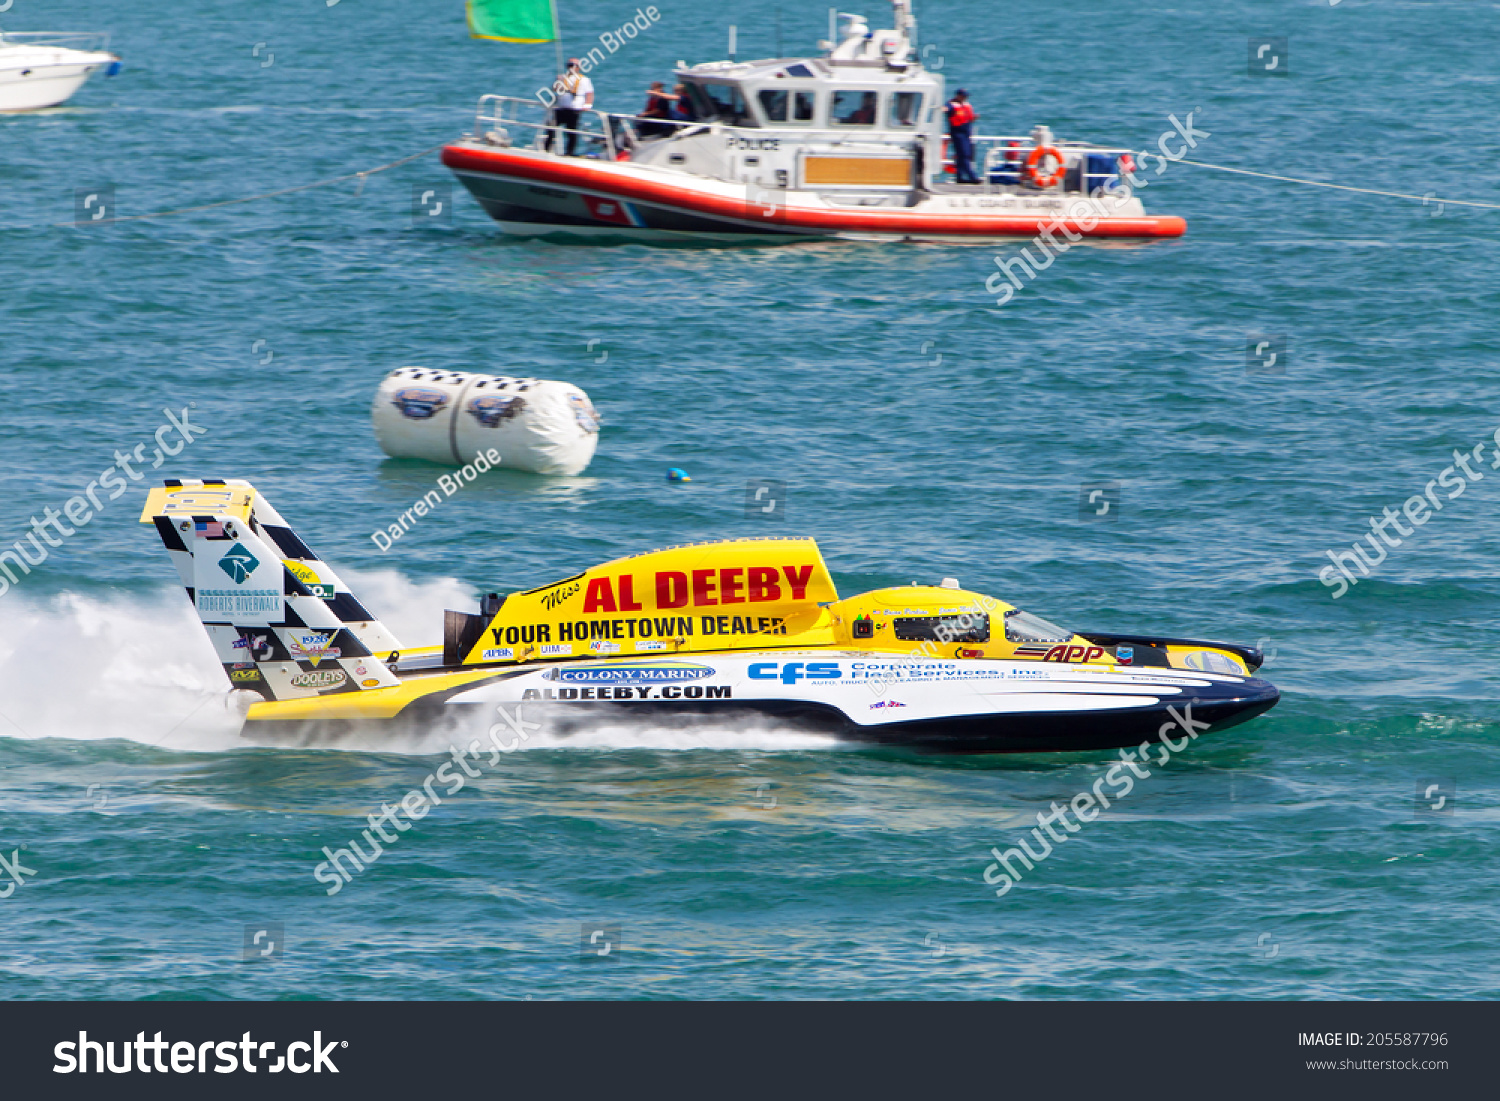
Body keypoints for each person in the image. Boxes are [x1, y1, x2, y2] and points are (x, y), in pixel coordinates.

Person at [544, 58, 594, 156]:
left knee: (571, 131)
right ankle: (547, 149)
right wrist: (558, 82)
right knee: (551, 126)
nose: (572, 67)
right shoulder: (563, 78)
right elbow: (554, 89)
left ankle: (569, 153)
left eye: (574, 65)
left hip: (574, 109)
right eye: (570, 65)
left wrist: (588, 105)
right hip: (562, 108)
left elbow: (590, 93)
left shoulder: (584, 80)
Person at [945, 88, 980, 184]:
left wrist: (974, 117)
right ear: (958, 96)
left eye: (966, 96)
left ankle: (959, 177)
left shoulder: (967, 105)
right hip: (958, 133)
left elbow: (969, 118)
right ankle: (972, 177)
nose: (965, 98)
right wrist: (944, 109)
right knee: (964, 154)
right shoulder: (951, 104)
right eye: (964, 96)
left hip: (966, 133)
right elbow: (947, 110)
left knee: (964, 155)